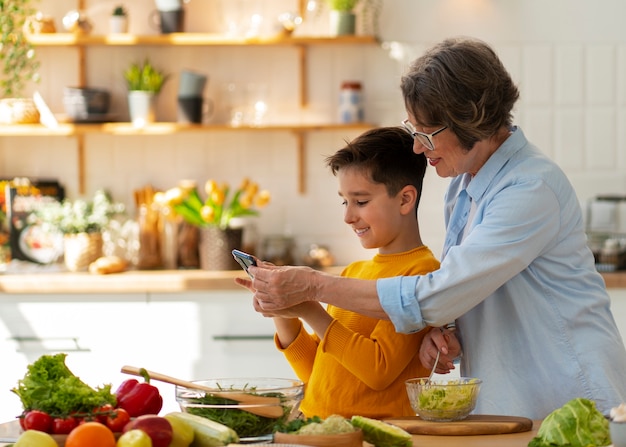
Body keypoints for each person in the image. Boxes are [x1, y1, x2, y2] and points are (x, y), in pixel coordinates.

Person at [239, 37, 626, 420]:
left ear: (470, 121)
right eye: (414, 130)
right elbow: (467, 285)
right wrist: (449, 331)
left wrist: (312, 286)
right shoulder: (462, 186)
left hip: (571, 393)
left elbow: (437, 294)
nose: (418, 148)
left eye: (426, 132)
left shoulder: (529, 188)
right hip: (514, 401)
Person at [256, 127, 442, 419]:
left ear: (405, 199)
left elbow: (378, 370)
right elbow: (317, 373)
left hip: (377, 437)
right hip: (320, 431)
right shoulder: (353, 272)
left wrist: (312, 309)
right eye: (345, 201)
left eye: (361, 201)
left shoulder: (421, 273)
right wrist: (285, 311)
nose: (348, 216)